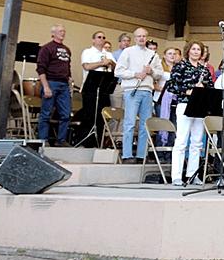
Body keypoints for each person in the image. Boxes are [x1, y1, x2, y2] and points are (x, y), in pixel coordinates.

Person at [167, 41, 213, 185]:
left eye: (198, 50)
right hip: (185, 104)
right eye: (193, 49)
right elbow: (172, 85)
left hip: (199, 107)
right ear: (188, 51)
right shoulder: (180, 65)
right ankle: (176, 176)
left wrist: (203, 88)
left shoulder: (203, 69)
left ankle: (193, 175)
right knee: (181, 141)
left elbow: (210, 87)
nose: (196, 52)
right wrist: (189, 91)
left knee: (197, 142)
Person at [114, 27, 164, 162]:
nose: (141, 38)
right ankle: (127, 154)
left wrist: (151, 71)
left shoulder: (153, 54)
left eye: (144, 36)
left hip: (147, 91)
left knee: (144, 124)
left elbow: (160, 73)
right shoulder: (128, 52)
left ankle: (142, 155)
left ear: (146, 38)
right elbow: (118, 71)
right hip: (132, 90)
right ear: (135, 38)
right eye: (138, 36)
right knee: (129, 123)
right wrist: (135, 74)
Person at [36, 24, 73, 146]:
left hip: (64, 85)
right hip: (51, 82)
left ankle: (61, 140)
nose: (63, 33)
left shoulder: (67, 50)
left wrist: (69, 81)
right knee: (46, 113)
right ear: (53, 33)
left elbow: (67, 68)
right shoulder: (46, 48)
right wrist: (46, 86)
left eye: (64, 31)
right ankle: (43, 139)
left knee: (66, 114)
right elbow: (41, 69)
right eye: (60, 31)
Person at [78, 30, 115, 146]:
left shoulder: (108, 54)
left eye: (103, 37)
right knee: (89, 115)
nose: (102, 39)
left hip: (104, 88)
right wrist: (101, 63)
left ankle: (99, 141)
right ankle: (87, 141)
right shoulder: (88, 51)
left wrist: (111, 63)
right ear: (93, 40)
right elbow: (87, 66)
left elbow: (117, 69)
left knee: (102, 116)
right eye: (99, 37)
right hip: (90, 88)